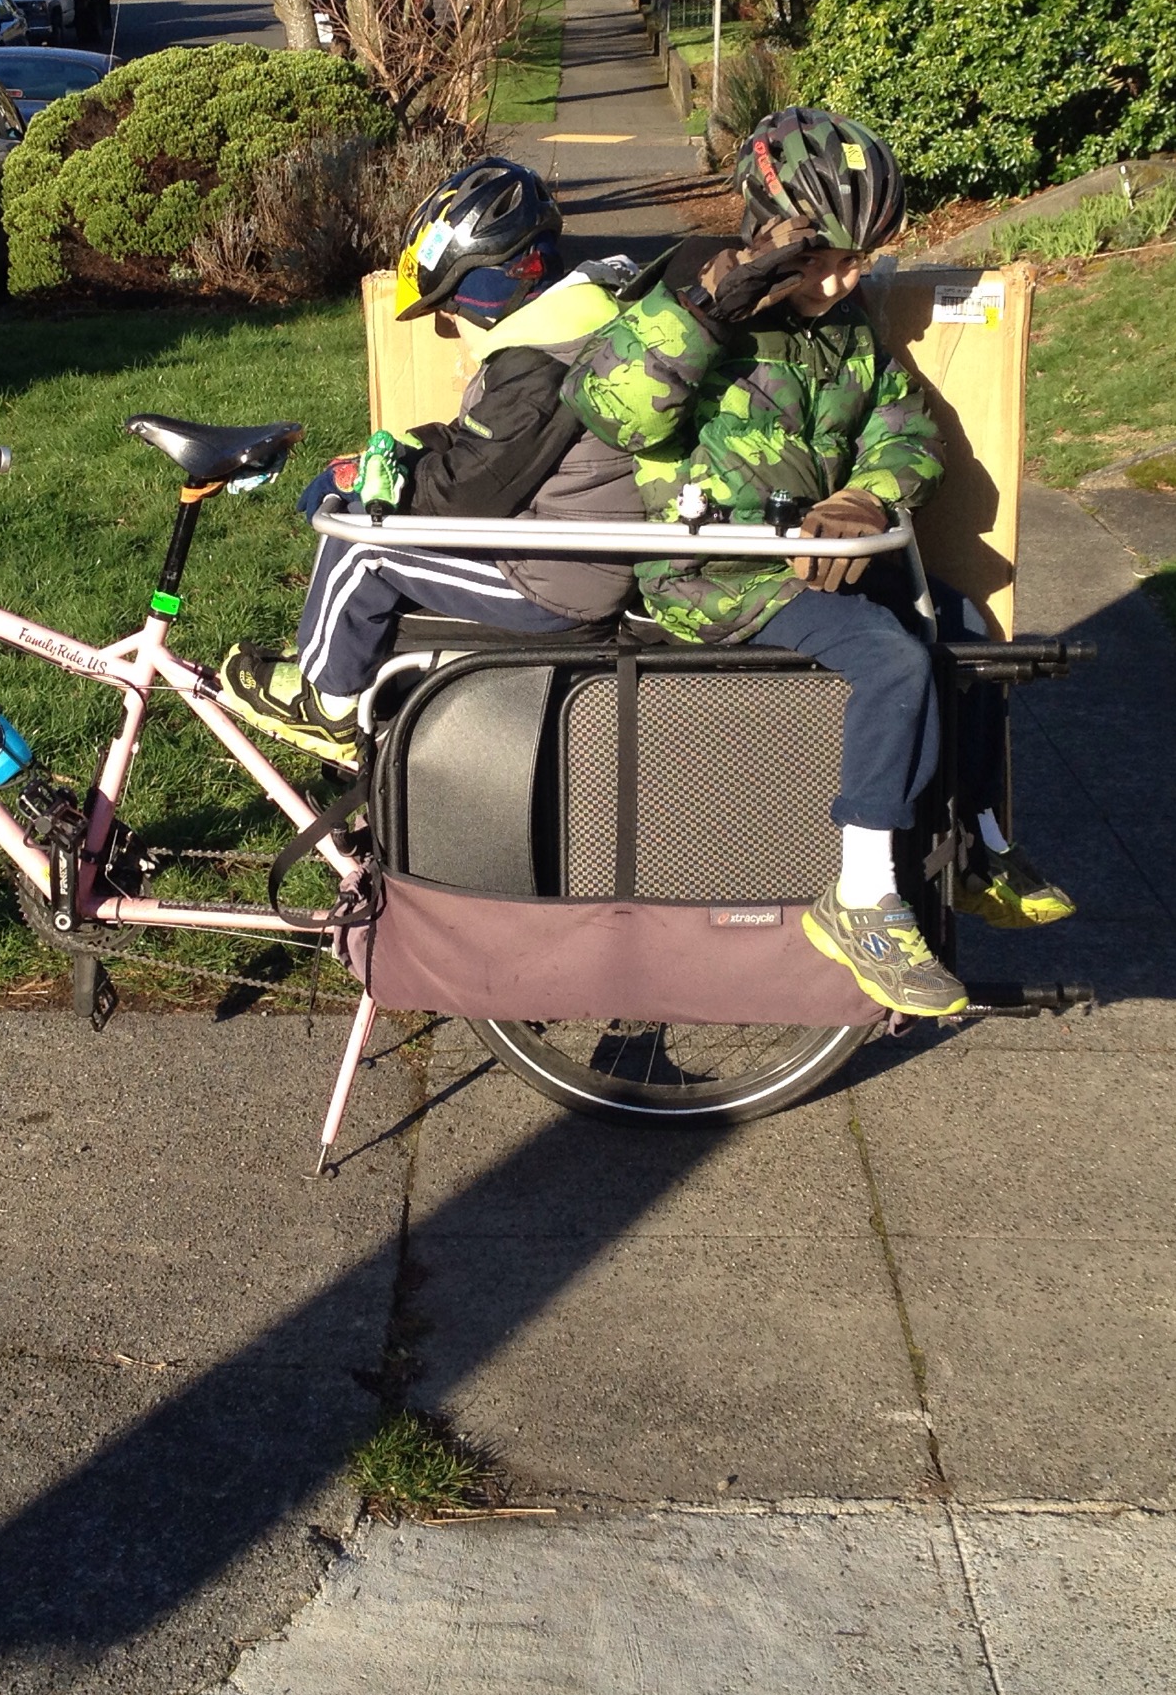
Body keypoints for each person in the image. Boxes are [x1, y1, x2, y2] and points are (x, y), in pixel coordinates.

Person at [567, 106, 1073, 1019]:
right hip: (720, 581)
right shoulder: (687, 301)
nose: (844, 281)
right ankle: (863, 898)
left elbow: (907, 428)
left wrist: (866, 497)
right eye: (826, 258)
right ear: (769, 232)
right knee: (892, 660)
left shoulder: (845, 327)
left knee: (966, 625)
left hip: (821, 558)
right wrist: (708, 311)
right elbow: (613, 409)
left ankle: (974, 838)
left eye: (861, 261)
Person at [216, 158, 649, 766]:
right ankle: (328, 667)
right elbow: (481, 444)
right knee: (364, 520)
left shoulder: (541, 367)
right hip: (559, 553)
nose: (447, 326)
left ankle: (327, 704)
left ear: (489, 289)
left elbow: (466, 494)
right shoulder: (568, 331)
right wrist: (400, 452)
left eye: (448, 307)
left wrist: (376, 488)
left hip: (555, 587)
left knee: (363, 546)